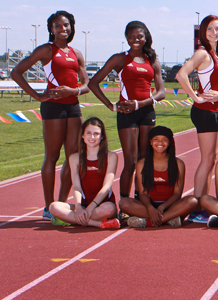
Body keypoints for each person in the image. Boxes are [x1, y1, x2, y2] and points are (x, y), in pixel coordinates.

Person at [10, 10, 88, 220]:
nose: (63, 29)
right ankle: (47, 206)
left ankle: (60, 204)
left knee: (73, 158)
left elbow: (87, 84)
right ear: (51, 29)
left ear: (71, 27)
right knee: (52, 157)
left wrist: (74, 91)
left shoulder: (76, 53)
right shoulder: (46, 50)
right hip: (53, 107)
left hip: (73, 107)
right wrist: (37, 96)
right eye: (58, 26)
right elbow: (16, 72)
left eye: (66, 25)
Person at [88, 21, 165, 205]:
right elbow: (93, 83)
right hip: (126, 114)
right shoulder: (119, 58)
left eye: (139, 36)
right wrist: (111, 105)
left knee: (144, 159)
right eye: (131, 37)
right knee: (130, 160)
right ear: (126, 39)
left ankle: (141, 198)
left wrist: (140, 104)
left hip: (146, 111)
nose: (135, 40)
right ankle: (124, 202)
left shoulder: (152, 60)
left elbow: (161, 92)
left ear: (145, 36)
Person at [176, 14, 218, 200]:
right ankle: (197, 203)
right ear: (203, 32)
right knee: (206, 160)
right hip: (204, 111)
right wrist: (195, 98)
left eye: (217, 29)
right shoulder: (203, 53)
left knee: (211, 160)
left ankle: (204, 202)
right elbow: (181, 75)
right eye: (210, 29)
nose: (215, 33)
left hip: (214, 111)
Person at [118, 125, 198, 228]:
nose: (160, 143)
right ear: (150, 141)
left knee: (192, 201)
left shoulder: (178, 164)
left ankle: (148, 222)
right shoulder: (142, 164)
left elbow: (177, 194)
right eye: (156, 139)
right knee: (124, 203)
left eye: (164, 140)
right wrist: (150, 208)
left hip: (170, 206)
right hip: (148, 207)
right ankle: (169, 219)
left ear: (169, 143)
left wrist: (163, 207)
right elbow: (143, 193)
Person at [48, 117, 120, 228]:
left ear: (102, 137)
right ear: (82, 135)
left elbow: (107, 186)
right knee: (53, 207)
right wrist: (79, 207)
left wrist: (91, 207)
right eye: (88, 133)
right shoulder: (74, 158)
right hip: (83, 205)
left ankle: (71, 219)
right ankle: (98, 224)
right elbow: (76, 186)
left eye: (96, 134)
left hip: (102, 205)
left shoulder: (111, 156)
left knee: (108, 209)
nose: (92, 137)